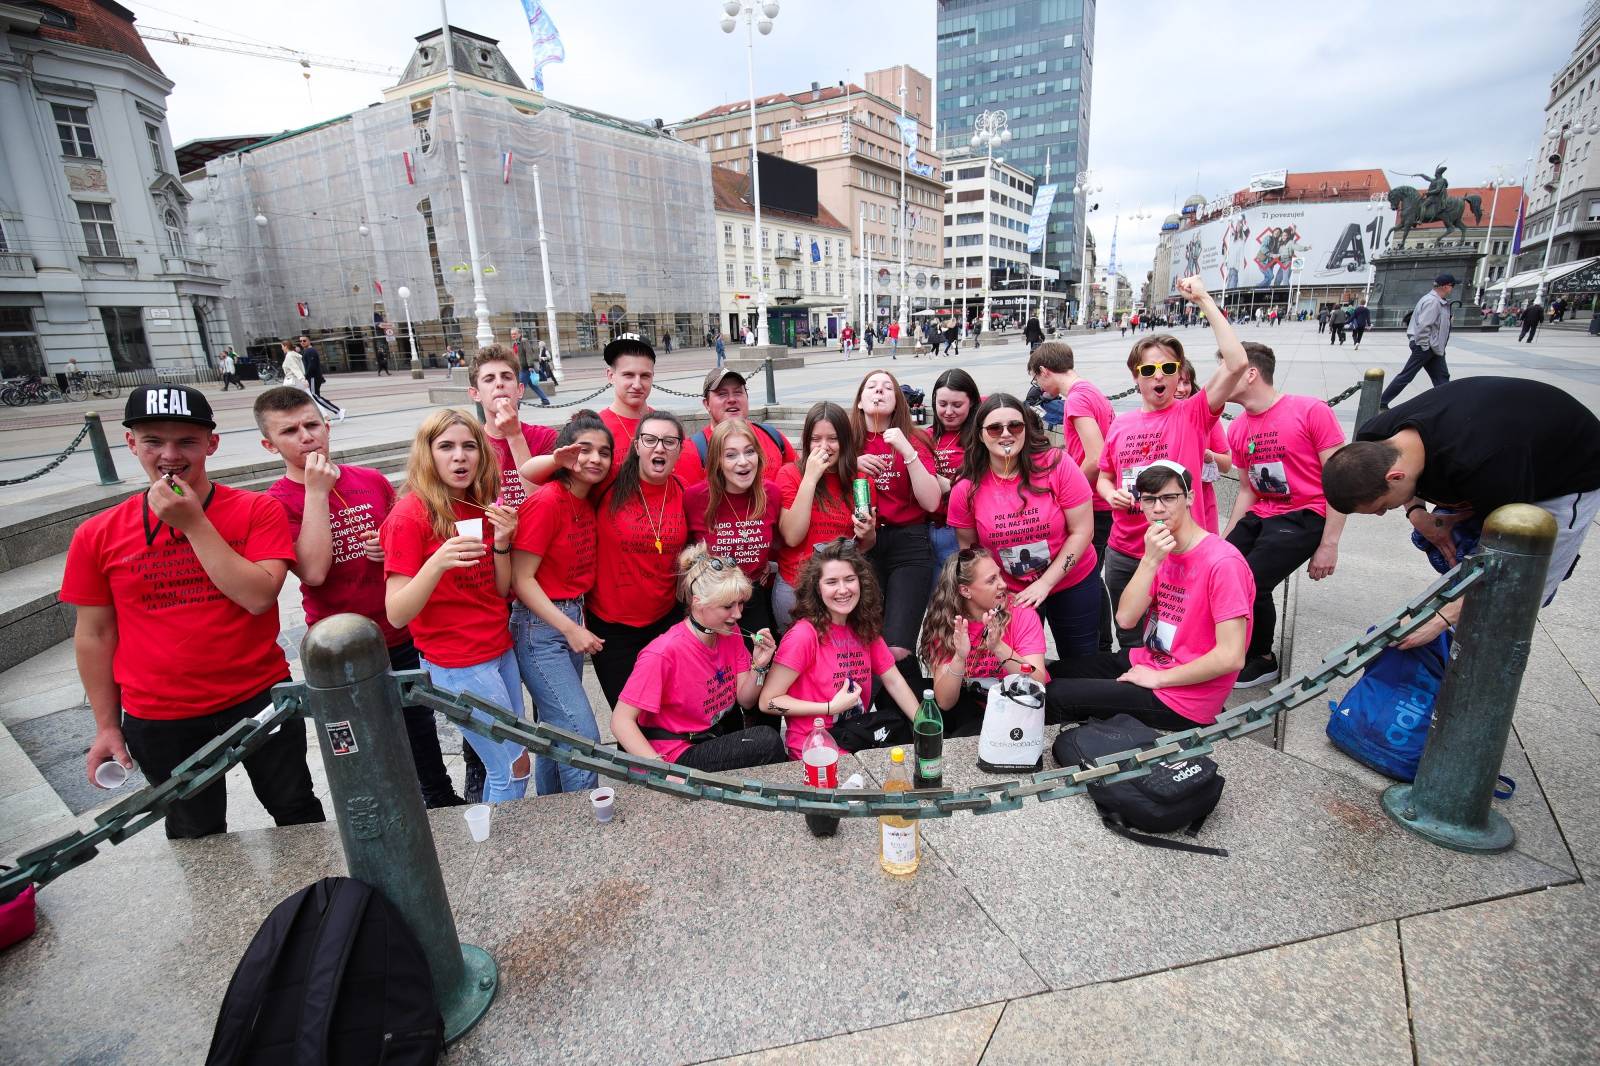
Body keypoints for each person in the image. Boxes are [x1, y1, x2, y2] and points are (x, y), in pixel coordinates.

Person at [64, 385, 324, 838]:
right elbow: (95, 634)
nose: (170, 454)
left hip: (258, 696)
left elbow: (259, 596)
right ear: (131, 445)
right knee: (195, 830)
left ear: (211, 444)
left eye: (186, 441)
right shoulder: (97, 534)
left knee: (295, 807)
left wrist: (193, 524)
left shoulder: (256, 510)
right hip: (160, 715)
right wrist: (106, 725)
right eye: (153, 441)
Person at [256, 386, 464, 808]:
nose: (306, 437)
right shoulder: (276, 502)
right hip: (339, 647)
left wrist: (389, 547)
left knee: (420, 728)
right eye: (290, 431)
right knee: (359, 739)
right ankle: (381, 809)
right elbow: (312, 571)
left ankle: (439, 798)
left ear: (327, 426)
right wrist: (315, 492)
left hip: (398, 632)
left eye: (312, 425)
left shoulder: (368, 480)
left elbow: (406, 540)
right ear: (269, 444)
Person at [1323, 377, 1600, 642]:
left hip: (1569, 470)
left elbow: (1511, 560)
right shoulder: (1374, 436)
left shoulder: (1484, 466)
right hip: (1498, 443)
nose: (1382, 514)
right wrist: (1417, 514)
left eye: (1382, 507)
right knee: (1451, 552)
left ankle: (1480, 668)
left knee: (1519, 593)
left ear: (1395, 477)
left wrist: (1443, 616)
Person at [383, 410, 528, 804]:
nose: (459, 457)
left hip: (498, 650)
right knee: (511, 768)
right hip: (458, 662)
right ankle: (501, 855)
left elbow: (499, 590)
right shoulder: (410, 515)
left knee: (517, 763)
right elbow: (396, 612)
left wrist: (502, 541)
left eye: (468, 447)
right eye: (446, 447)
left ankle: (506, 848)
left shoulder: (478, 505)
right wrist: (436, 563)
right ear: (428, 455)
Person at [1097, 276, 1248, 648]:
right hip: (1126, 551)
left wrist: (1204, 299)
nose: (1158, 377)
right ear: (1136, 378)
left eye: (1167, 368)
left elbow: (1237, 362)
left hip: (1179, 553)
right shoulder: (1122, 423)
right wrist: (1111, 492)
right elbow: (1103, 475)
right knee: (1130, 637)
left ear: (1180, 373)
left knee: (1176, 641)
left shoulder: (1192, 414)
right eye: (1148, 371)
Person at [1046, 462, 1255, 728]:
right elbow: (1125, 619)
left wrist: (1159, 679)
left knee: (1057, 696)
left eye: (1169, 498)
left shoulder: (1223, 563)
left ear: (1190, 497)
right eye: (1149, 500)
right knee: (1053, 672)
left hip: (1181, 697)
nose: (1158, 508)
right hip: (1149, 659)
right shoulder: (1160, 549)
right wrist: (1149, 561)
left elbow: (1231, 656)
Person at [1219, 343, 1347, 688]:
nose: (1219, 378)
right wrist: (1225, 541)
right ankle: (1228, 646)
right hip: (1263, 511)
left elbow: (1340, 480)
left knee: (1252, 581)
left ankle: (1262, 657)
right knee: (1221, 566)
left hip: (1307, 513)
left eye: (1226, 369)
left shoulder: (1310, 411)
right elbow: (1247, 489)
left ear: (1250, 373)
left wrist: (1329, 543)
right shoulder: (1239, 427)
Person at [948, 395, 1100, 658]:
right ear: (981, 435)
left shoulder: (1057, 465)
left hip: (1072, 579)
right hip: (1010, 593)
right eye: (995, 428)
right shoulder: (967, 488)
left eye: (1015, 426)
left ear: (1026, 430)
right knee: (1020, 668)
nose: (1006, 434)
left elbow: (1083, 531)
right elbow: (971, 554)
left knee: (1082, 661)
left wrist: (1045, 584)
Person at [612, 545, 788, 770]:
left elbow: (746, 700)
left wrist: (760, 665)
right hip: (673, 754)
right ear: (697, 602)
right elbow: (620, 721)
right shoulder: (663, 652)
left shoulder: (730, 632)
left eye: (740, 603)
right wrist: (662, 773)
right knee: (766, 741)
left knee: (757, 733)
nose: (738, 614)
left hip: (709, 736)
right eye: (728, 606)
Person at [511, 410, 612, 795]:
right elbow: (522, 580)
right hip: (542, 628)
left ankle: (554, 812)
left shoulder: (586, 501)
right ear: (566, 454)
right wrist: (570, 628)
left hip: (570, 614)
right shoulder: (547, 501)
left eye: (604, 452)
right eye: (584, 449)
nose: (595, 459)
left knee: (556, 734)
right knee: (582, 735)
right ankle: (584, 814)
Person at [760, 539, 921, 754]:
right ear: (816, 588)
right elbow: (768, 702)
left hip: (856, 736)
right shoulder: (803, 635)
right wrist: (829, 708)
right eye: (832, 582)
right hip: (815, 747)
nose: (843, 589)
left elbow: (894, 681)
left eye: (849, 579)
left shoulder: (863, 625)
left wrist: (925, 725)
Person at [587, 411, 691, 707]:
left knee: (663, 710)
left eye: (669, 441)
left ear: (680, 450)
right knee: (628, 715)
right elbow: (539, 480)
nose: (659, 448)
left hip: (664, 621)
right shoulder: (608, 482)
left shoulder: (683, 490)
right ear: (636, 446)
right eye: (650, 440)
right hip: (611, 628)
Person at [852, 369, 941, 694]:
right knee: (868, 639)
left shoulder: (913, 438)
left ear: (898, 400)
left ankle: (915, 717)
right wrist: (852, 462)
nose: (879, 391)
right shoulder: (847, 441)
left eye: (887, 387)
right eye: (871, 386)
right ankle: (896, 718)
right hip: (863, 544)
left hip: (909, 543)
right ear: (860, 401)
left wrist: (908, 451)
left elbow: (931, 501)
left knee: (898, 645)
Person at [1028, 342, 1115, 649]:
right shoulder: (1091, 391)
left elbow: (1095, 455)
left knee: (1087, 572)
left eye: (1037, 380)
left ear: (1044, 371)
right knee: (1094, 572)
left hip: (1094, 500)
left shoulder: (1077, 400)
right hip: (1103, 498)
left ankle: (1101, 644)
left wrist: (1067, 490)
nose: (1039, 387)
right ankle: (1102, 641)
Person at [919, 547, 1051, 735]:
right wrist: (959, 657)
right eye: (992, 580)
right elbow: (944, 702)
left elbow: (1037, 683)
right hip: (977, 712)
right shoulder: (948, 624)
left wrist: (998, 647)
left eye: (999, 575)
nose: (1003, 584)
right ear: (965, 590)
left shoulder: (1021, 613)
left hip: (1026, 707)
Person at [774, 402, 877, 628]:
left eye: (832, 438)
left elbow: (865, 545)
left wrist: (868, 533)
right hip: (797, 587)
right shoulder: (789, 474)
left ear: (845, 441)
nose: (824, 446)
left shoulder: (860, 480)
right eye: (815, 439)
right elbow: (792, 536)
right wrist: (810, 478)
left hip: (841, 591)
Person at [683, 418, 782, 635]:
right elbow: (685, 555)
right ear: (717, 461)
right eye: (731, 455)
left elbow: (780, 544)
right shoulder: (695, 498)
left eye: (749, 452)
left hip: (754, 600)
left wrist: (767, 565)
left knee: (757, 665)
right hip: (712, 603)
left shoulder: (771, 494)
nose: (744, 461)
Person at [466, 345, 558, 510]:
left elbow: (543, 506)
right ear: (475, 394)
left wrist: (515, 436)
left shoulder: (545, 438)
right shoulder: (469, 445)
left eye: (507, 377)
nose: (499, 383)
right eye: (489, 379)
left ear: (520, 389)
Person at [671, 367, 797, 485]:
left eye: (737, 392)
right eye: (722, 394)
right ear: (707, 404)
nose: (732, 399)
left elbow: (797, 480)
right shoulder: (691, 451)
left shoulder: (773, 436)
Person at [928, 368, 981, 578]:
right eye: (942, 405)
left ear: (972, 403)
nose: (948, 411)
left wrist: (949, 486)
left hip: (962, 530)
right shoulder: (924, 437)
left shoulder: (981, 438)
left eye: (957, 405)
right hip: (927, 528)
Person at [1381, 274, 1455, 406]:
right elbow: (1424, 325)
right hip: (1426, 347)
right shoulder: (1433, 302)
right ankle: (1382, 401)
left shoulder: (1436, 301)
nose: (1452, 289)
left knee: (1442, 377)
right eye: (1452, 286)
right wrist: (1424, 346)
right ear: (1445, 286)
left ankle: (1447, 403)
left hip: (1433, 347)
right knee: (1407, 375)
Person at [299, 335, 345, 422]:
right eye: (300, 341)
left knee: (315, 396)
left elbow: (312, 366)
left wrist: (306, 376)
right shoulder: (306, 351)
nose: (302, 342)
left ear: (309, 341)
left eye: (304, 340)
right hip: (313, 377)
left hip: (313, 377)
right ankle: (329, 414)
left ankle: (338, 411)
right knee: (316, 397)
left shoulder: (310, 351)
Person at [508, 328, 552, 407]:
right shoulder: (515, 343)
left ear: (519, 334)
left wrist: (530, 366)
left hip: (526, 368)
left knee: (520, 386)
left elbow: (528, 353)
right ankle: (545, 400)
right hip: (520, 368)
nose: (513, 335)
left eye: (515, 334)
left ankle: (516, 404)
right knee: (534, 386)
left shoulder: (523, 341)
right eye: (512, 334)